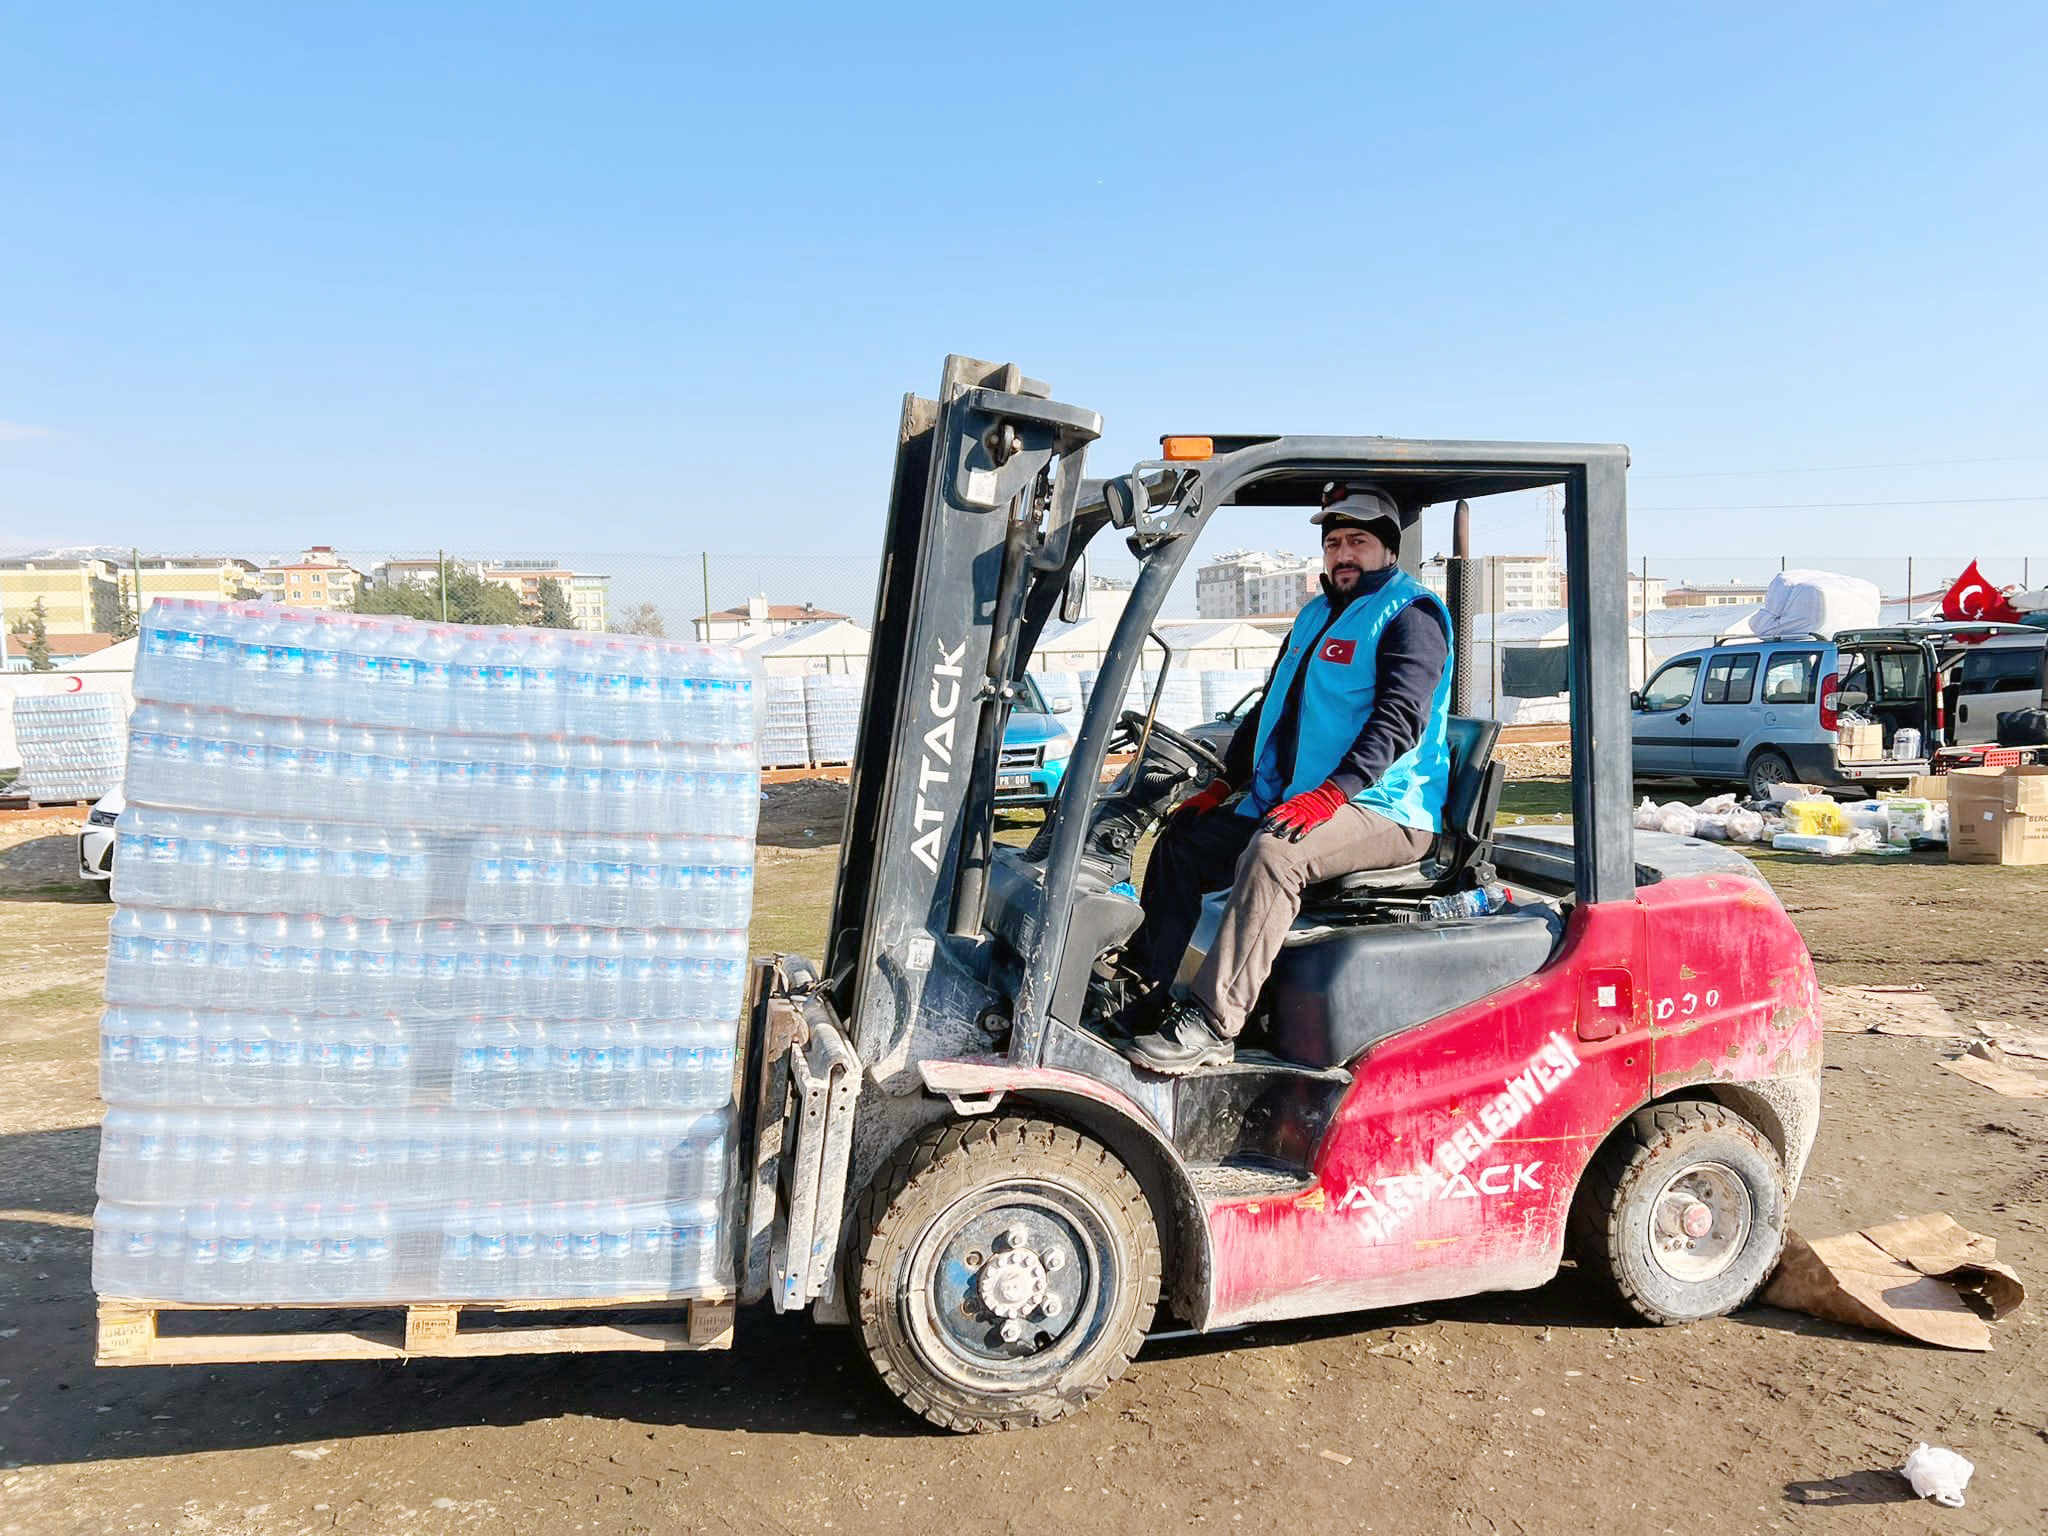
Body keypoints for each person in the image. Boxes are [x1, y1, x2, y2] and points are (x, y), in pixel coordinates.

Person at [1122, 484, 1454, 1074]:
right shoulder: (1317, 612)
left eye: (1357, 542)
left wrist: (1333, 793)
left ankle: (1215, 1022)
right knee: (1183, 841)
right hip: (1308, 800)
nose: (1343, 554)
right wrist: (1225, 784)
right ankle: (1146, 988)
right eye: (1333, 544)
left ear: (1387, 550)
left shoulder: (1411, 614)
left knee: (1275, 854)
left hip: (1387, 807)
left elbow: (1400, 720)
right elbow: (1274, 706)